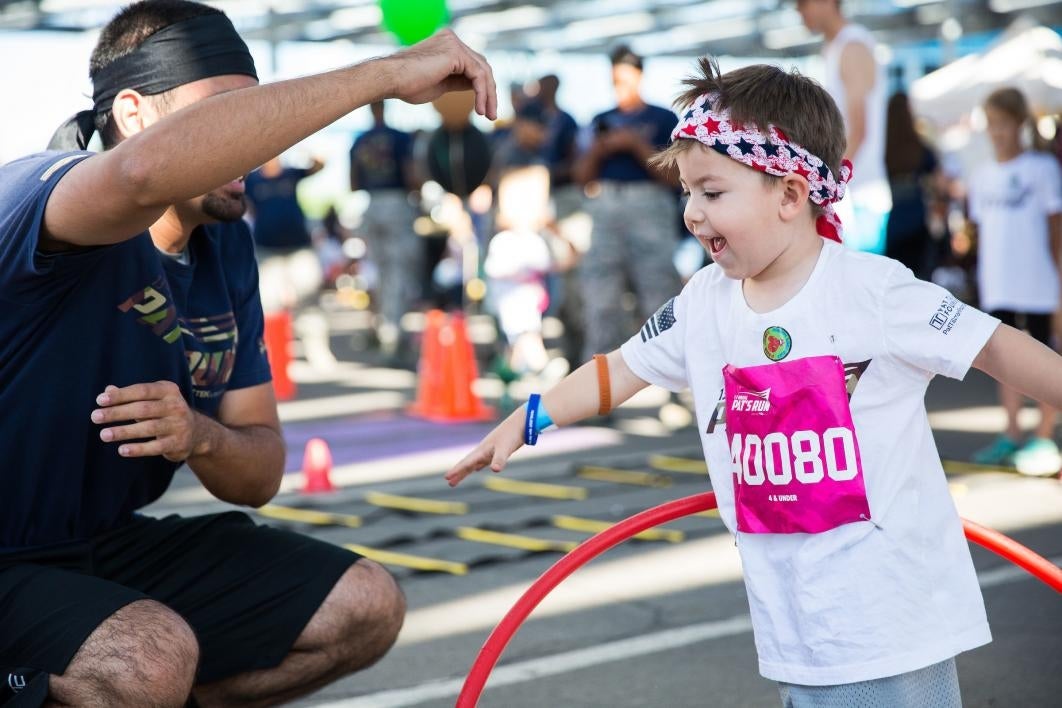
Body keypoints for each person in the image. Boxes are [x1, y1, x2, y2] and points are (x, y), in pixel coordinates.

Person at [447, 57, 1062, 707]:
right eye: (685, 192)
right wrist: (530, 417)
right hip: (793, 628)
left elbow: (994, 346)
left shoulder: (871, 293)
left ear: (791, 195)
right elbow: (622, 368)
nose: (691, 213)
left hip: (893, 623)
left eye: (711, 193)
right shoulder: (703, 303)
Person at [0, 0, 496, 705]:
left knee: (363, 605)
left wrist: (198, 435)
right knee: (149, 656)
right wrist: (387, 73)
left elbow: (258, 470)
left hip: (95, 542)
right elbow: (141, 176)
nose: (261, 146)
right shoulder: (50, 198)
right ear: (134, 113)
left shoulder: (224, 242)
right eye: (234, 116)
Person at [967, 87, 1062, 475]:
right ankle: (1010, 431)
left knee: (1042, 354)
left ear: (1019, 124)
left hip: (1037, 280)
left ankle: (1044, 433)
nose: (996, 132)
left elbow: (1055, 228)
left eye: (1003, 124)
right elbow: (978, 231)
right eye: (991, 125)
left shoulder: (1042, 169)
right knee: (1001, 357)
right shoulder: (982, 174)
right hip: (998, 281)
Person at [572, 45, 682, 361]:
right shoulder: (600, 119)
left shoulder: (662, 118)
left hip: (649, 206)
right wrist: (599, 149)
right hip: (605, 204)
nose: (620, 87)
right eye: (615, 80)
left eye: (626, 79)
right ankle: (598, 388)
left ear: (639, 76)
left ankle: (670, 382)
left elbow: (675, 177)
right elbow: (582, 177)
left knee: (659, 296)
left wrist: (635, 145)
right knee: (600, 299)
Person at [797, 0, 891, 254]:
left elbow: (859, 130)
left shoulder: (852, 46)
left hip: (858, 197)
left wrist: (826, 185)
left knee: (857, 290)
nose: (798, 11)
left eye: (802, 3)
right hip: (848, 193)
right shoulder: (837, 47)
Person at [349, 100, 420, 358]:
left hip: (372, 204)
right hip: (396, 202)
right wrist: (418, 195)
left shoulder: (361, 140)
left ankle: (385, 328)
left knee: (379, 271)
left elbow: (353, 182)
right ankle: (392, 333)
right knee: (398, 270)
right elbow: (410, 174)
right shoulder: (399, 138)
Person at [883, 92, 943, 278]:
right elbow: (939, 183)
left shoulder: (884, 148)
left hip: (893, 220)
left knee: (897, 279)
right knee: (921, 278)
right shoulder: (919, 147)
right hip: (918, 218)